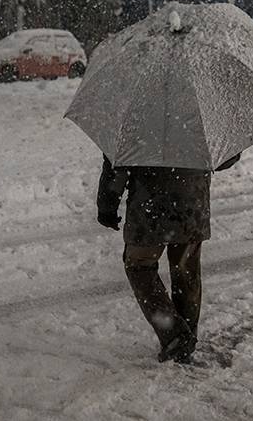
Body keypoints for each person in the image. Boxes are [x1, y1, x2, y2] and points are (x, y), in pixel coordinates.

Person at [96, 152, 241, 364]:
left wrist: (107, 205)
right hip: (192, 207)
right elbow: (224, 159)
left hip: (149, 209)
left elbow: (116, 163)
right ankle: (185, 338)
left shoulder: (134, 122)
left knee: (138, 266)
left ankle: (175, 336)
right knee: (186, 271)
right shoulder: (199, 122)